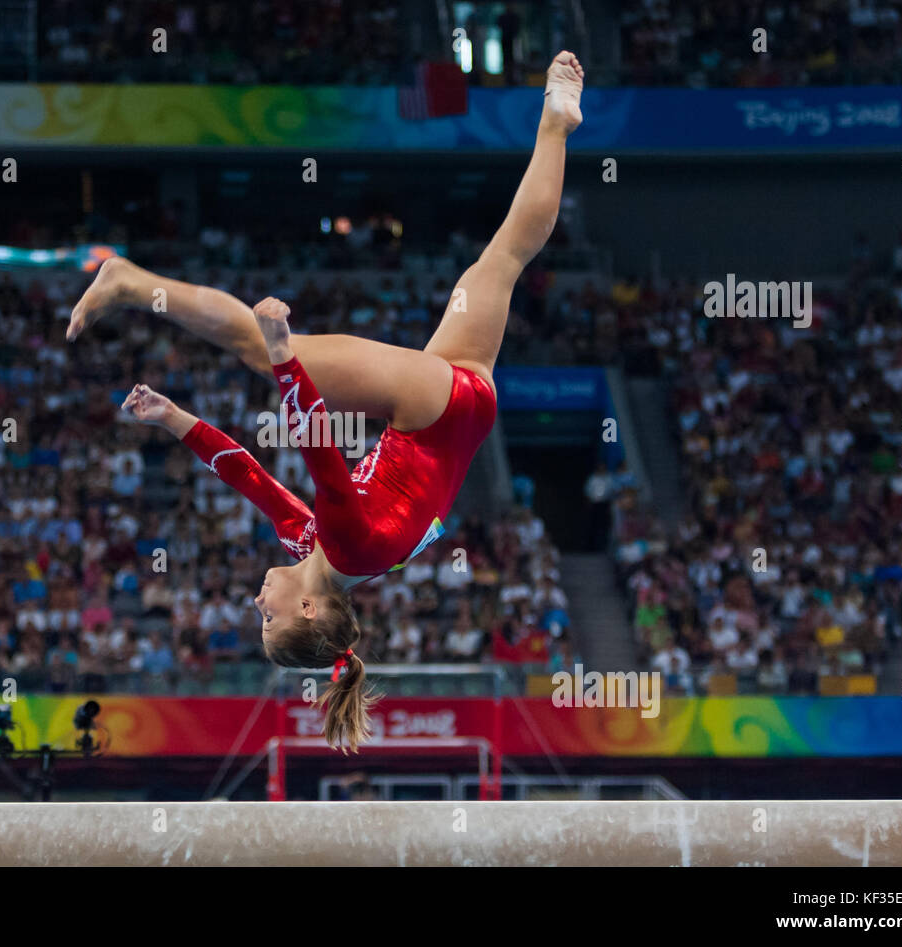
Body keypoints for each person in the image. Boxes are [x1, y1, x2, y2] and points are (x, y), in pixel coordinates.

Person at [70, 52, 585, 750]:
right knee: (256, 346)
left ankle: (555, 123)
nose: (256, 603)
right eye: (269, 618)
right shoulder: (346, 545)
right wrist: (284, 360)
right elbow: (320, 453)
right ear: (309, 608)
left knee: (503, 258)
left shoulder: (311, 545)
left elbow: (246, 473)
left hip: (460, 402)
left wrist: (173, 420)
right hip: (429, 409)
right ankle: (130, 280)